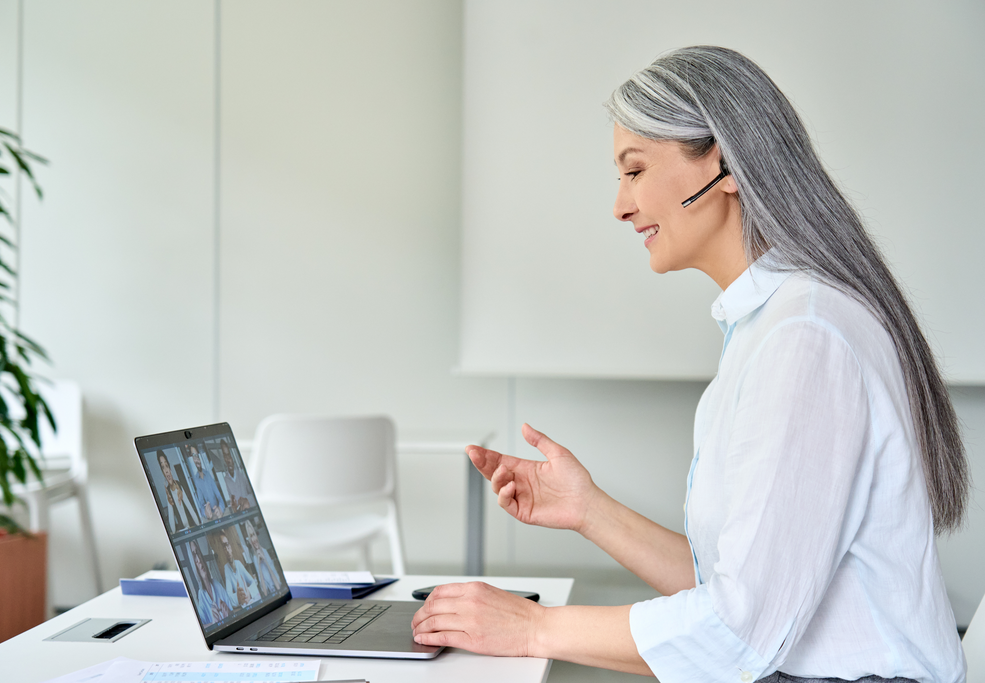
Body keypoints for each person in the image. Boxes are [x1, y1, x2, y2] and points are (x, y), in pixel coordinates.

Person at [411, 46, 968, 682]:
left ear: (724, 164)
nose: (620, 205)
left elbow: (737, 633)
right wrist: (588, 509)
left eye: (635, 170)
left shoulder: (806, 340)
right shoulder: (775, 325)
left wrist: (532, 628)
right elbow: (739, 587)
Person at [188, 540, 232, 627]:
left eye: (198, 553)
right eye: (194, 556)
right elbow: (200, 626)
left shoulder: (217, 584)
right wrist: (213, 623)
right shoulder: (201, 595)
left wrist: (229, 613)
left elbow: (232, 612)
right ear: (193, 564)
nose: (199, 560)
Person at [216, 528, 260, 609]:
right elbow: (229, 596)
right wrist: (239, 598)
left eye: (227, 545)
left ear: (231, 546)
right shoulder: (227, 568)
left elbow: (253, 582)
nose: (227, 549)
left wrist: (248, 593)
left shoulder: (238, 564)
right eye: (224, 547)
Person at [157, 451, 200, 532]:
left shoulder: (179, 485)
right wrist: (173, 534)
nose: (166, 470)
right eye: (163, 467)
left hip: (191, 526)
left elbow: (190, 509)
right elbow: (171, 519)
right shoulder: (168, 493)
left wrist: (199, 526)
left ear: (170, 468)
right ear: (162, 472)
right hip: (181, 530)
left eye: (166, 466)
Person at [244, 518, 281, 597]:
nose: (253, 539)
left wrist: (265, 560)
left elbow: (278, 586)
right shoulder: (254, 558)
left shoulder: (265, 551)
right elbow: (265, 593)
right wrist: (259, 564)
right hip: (271, 595)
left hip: (278, 592)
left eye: (253, 534)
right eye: (251, 536)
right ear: (250, 541)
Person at [187, 444, 225, 520]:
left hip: (218, 515)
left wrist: (220, 509)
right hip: (210, 518)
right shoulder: (196, 480)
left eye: (197, 456)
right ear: (192, 460)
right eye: (194, 457)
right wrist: (205, 513)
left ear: (199, 457)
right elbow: (201, 504)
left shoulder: (208, 474)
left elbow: (219, 496)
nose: (196, 459)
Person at [220, 440, 252, 512]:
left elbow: (253, 494)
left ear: (232, 457)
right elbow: (230, 503)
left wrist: (246, 501)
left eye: (228, 455)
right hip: (241, 519)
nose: (228, 460)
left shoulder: (242, 473)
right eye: (225, 457)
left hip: (252, 514)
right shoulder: (225, 480)